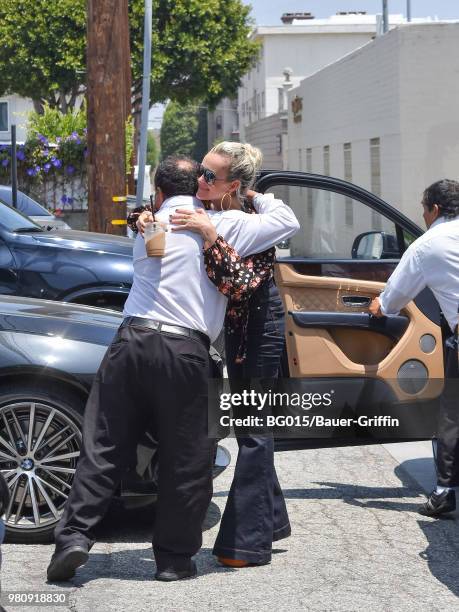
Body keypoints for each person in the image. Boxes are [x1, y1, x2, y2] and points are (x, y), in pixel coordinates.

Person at [46, 154, 299, 583]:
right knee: (188, 457)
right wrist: (254, 196)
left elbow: (144, 218)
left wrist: (147, 214)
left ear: (158, 192)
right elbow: (286, 221)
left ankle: (73, 538)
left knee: (103, 446)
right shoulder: (224, 226)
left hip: (131, 341)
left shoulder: (146, 226)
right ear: (202, 184)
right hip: (186, 351)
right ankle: (174, 560)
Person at [135, 142, 292, 569]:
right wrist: (145, 219)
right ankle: (271, 520)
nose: (199, 180)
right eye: (200, 171)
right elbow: (150, 233)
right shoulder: (205, 212)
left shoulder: (243, 221)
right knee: (249, 425)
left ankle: (245, 544)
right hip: (231, 332)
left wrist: (213, 231)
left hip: (258, 327)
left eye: (210, 176)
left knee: (254, 430)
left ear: (233, 185)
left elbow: (242, 278)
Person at [369, 179, 459, 516]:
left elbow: (392, 300)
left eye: (423, 210)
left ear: (433, 209)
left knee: (452, 415)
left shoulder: (427, 245)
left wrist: (377, 306)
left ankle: (445, 493)